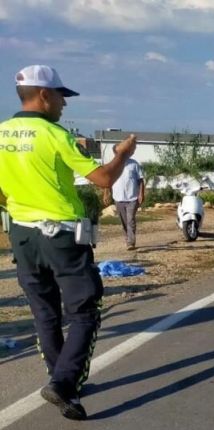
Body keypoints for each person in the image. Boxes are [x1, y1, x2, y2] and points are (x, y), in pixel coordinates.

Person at [0, 65, 137, 420]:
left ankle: (61, 380)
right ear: (44, 95)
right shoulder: (54, 135)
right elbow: (104, 178)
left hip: (21, 234)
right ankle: (63, 383)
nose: (64, 104)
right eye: (61, 96)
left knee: (45, 313)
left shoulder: (2, 134)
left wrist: (18, 208)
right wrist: (122, 153)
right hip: (61, 235)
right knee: (85, 311)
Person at [103, 145, 144, 250]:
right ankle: (127, 239)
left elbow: (140, 180)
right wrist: (106, 193)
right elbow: (108, 180)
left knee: (130, 220)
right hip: (118, 197)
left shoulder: (134, 164)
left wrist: (141, 194)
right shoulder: (112, 166)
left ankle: (131, 242)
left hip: (132, 197)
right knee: (124, 221)